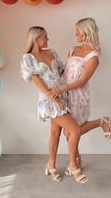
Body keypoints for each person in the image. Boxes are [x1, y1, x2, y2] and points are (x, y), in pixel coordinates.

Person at [20, 26, 88, 184]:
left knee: (55, 134)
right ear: (36, 39)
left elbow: (63, 72)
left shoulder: (52, 52)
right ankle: (74, 166)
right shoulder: (28, 58)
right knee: (75, 129)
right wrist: (53, 98)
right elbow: (36, 80)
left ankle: (50, 165)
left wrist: (79, 66)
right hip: (48, 100)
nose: (48, 39)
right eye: (45, 37)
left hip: (63, 96)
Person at [48, 18, 111, 168]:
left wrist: (61, 88)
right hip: (64, 95)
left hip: (78, 96)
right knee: (70, 131)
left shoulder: (93, 57)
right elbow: (65, 72)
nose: (75, 33)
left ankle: (102, 122)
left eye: (78, 30)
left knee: (71, 132)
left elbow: (82, 80)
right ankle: (76, 160)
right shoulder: (72, 50)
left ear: (87, 32)